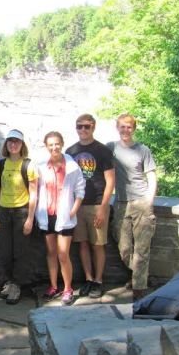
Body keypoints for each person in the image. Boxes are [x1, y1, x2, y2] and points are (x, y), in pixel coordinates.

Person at [107, 114, 157, 301]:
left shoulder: (142, 150)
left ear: (134, 128)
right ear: (117, 127)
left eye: (129, 127)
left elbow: (151, 175)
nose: (126, 130)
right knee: (124, 247)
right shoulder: (111, 148)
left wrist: (148, 201)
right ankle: (139, 274)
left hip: (140, 202)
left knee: (142, 247)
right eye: (122, 126)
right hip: (121, 203)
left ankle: (139, 288)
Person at [65, 113, 115, 298]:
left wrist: (103, 207)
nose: (83, 130)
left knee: (98, 244)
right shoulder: (71, 152)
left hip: (96, 204)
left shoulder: (102, 151)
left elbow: (110, 181)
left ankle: (98, 281)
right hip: (78, 204)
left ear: (93, 127)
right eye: (79, 126)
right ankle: (88, 279)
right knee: (82, 244)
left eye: (87, 126)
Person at [36, 132, 85, 306]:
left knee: (63, 254)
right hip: (47, 214)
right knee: (51, 253)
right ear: (46, 146)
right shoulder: (42, 166)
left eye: (57, 144)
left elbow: (80, 188)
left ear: (62, 144)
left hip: (65, 215)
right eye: (50, 144)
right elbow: (35, 188)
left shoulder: (71, 166)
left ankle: (68, 289)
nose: (54, 147)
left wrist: (74, 209)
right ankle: (54, 286)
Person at [0, 129, 38, 304]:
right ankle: (10, 281)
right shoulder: (1, 165)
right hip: (3, 212)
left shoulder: (29, 165)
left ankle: (17, 285)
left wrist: (30, 218)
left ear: (22, 145)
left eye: (16, 141)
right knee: (5, 251)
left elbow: (34, 194)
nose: (13, 144)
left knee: (20, 252)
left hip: (21, 212)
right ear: (6, 144)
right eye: (10, 141)